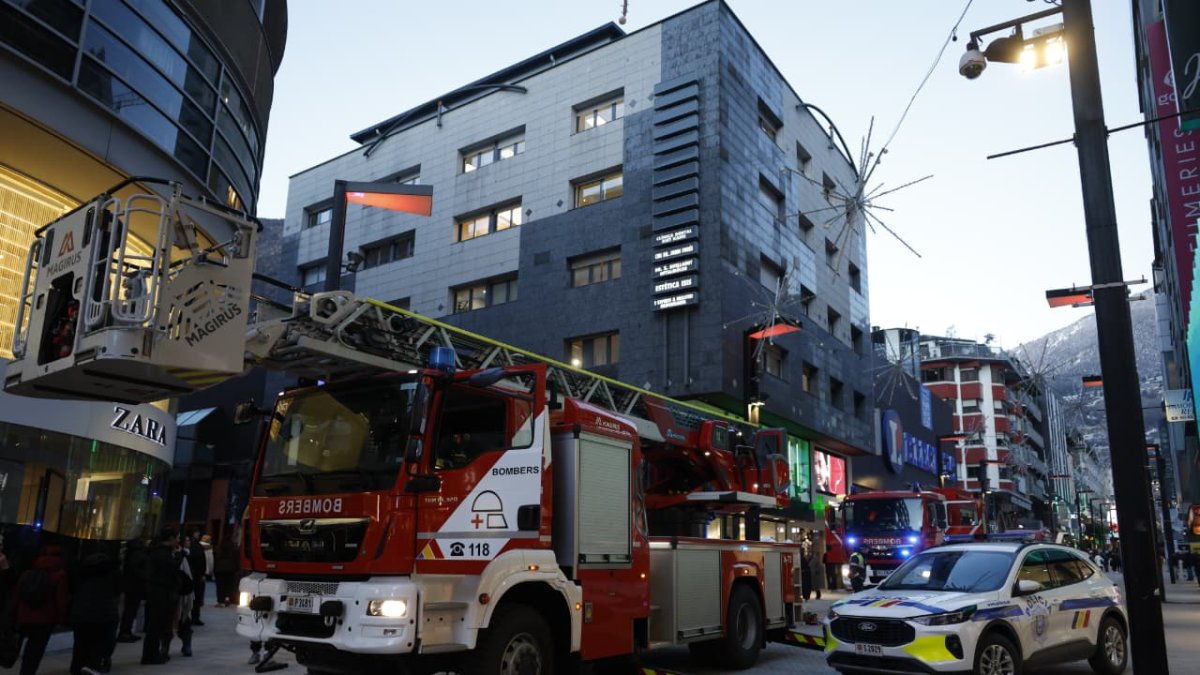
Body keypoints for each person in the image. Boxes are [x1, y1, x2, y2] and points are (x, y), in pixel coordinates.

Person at [12, 544, 69, 675]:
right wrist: (61, 619)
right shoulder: (60, 576)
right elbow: (61, 600)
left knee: (18, 644)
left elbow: (16, 595)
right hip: (45, 620)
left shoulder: (27, 574)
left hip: (24, 616)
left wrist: (13, 614)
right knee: (35, 650)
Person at [69, 552, 119, 675]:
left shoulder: (81, 577)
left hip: (81, 615)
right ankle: (93, 664)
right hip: (104, 616)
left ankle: (77, 667)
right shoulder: (109, 577)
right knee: (102, 642)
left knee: (80, 644)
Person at [141, 528, 180, 665]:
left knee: (155, 625)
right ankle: (151, 655)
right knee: (156, 625)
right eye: (177, 538)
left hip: (157, 593)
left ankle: (151, 654)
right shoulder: (163, 554)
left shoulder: (157, 552)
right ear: (171, 538)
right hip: (160, 593)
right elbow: (170, 573)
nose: (178, 541)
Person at [117, 537, 147, 642]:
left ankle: (126, 631)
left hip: (131, 584)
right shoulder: (137, 553)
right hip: (134, 585)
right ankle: (125, 632)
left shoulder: (131, 552)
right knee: (130, 609)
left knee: (130, 609)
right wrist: (144, 575)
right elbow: (136, 569)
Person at [187, 532, 212, 626]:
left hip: (193, 575)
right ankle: (195, 617)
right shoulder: (200, 547)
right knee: (197, 597)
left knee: (193, 597)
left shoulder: (193, 548)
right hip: (198, 576)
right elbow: (205, 561)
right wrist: (204, 573)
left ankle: (189, 617)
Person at [213, 535, 240, 608]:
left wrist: (214, 569)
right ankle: (227, 599)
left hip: (220, 570)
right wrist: (237, 568)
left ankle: (220, 601)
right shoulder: (234, 548)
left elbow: (215, 559)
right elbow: (237, 559)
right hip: (231, 569)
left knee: (220, 586)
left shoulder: (218, 548)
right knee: (229, 586)